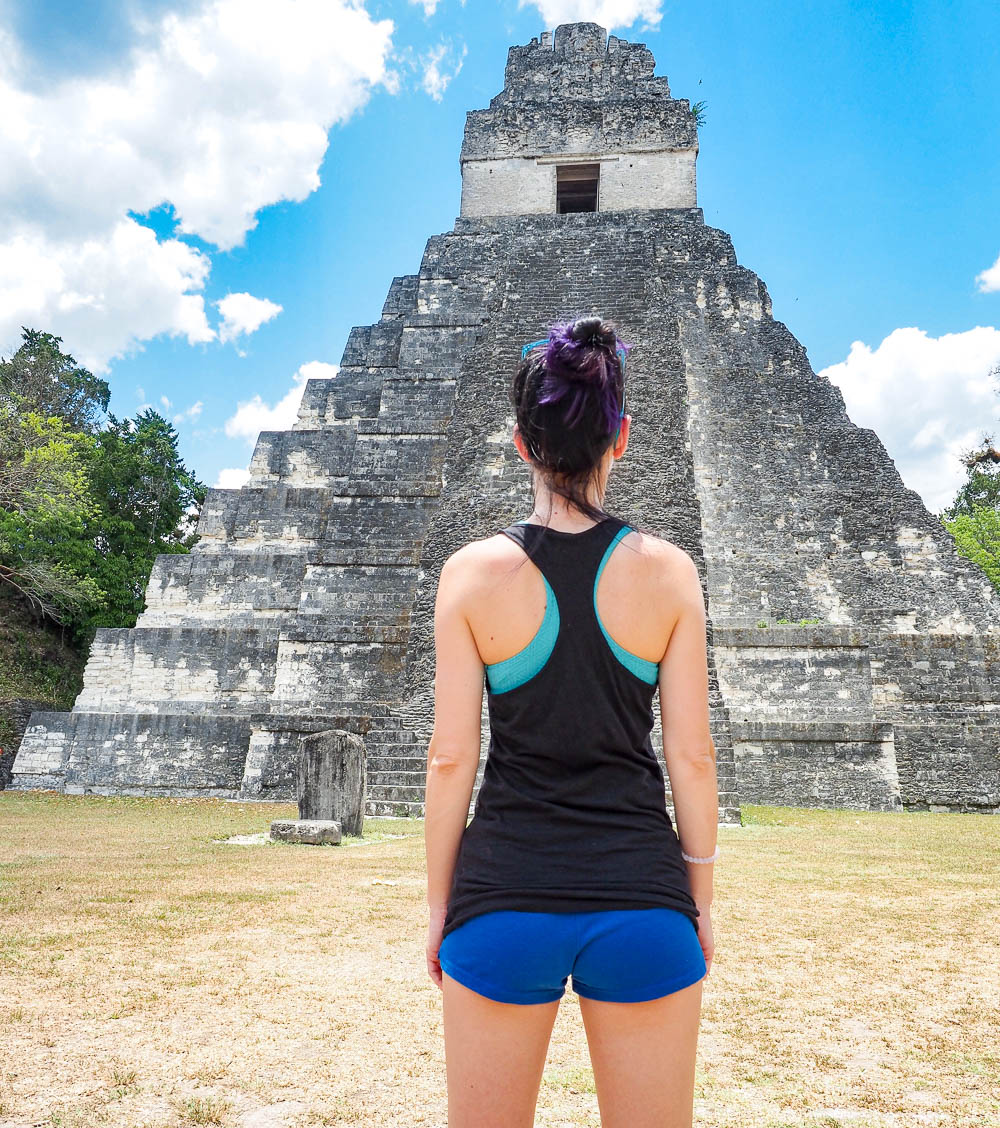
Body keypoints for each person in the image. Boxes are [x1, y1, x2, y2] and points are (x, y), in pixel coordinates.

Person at [424, 316, 718, 1128]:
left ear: (522, 445)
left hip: (502, 899)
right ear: (619, 438)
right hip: (643, 901)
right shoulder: (669, 572)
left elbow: (451, 757)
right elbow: (691, 756)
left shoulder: (471, 575)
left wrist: (437, 905)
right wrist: (699, 900)